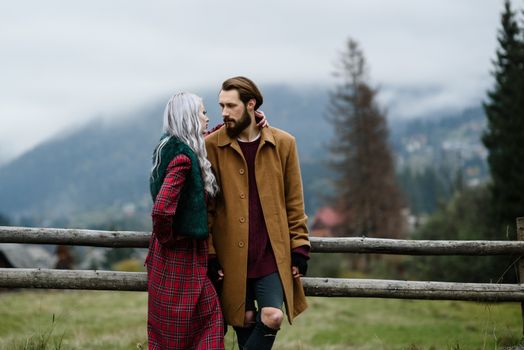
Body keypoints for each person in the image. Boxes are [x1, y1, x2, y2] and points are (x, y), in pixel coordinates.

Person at [205, 76, 310, 349]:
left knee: (272, 316)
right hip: (231, 256)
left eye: (231, 106)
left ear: (251, 104)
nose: (225, 113)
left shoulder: (284, 144)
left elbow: (294, 202)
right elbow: (207, 207)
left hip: (271, 254)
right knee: (245, 319)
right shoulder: (212, 146)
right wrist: (210, 252)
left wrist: (299, 246)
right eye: (221, 106)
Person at [146, 92, 224, 349]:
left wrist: (250, 120)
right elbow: (161, 211)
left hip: (176, 260)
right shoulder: (182, 158)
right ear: (190, 118)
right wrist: (169, 238)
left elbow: (211, 133)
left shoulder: (169, 145)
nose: (207, 117)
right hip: (179, 259)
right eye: (202, 112)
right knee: (199, 327)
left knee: (207, 321)